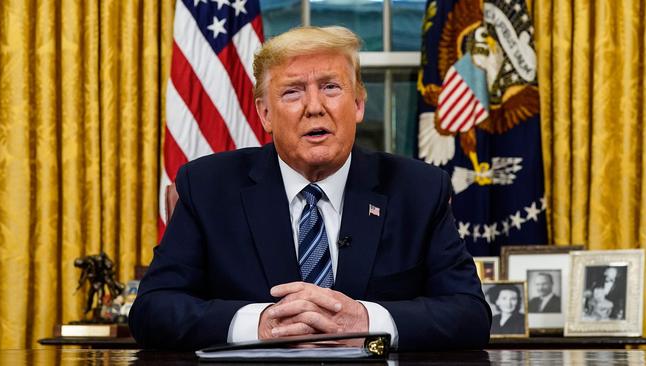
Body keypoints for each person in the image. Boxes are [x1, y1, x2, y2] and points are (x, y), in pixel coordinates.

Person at [128, 26, 491, 351]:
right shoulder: (207, 188)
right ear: (265, 114)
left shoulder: (418, 189)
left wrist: (365, 321)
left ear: (359, 104)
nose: (314, 107)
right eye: (292, 92)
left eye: (331, 87)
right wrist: (260, 324)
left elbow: (470, 314)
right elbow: (152, 310)